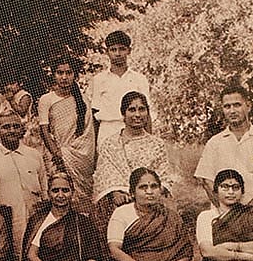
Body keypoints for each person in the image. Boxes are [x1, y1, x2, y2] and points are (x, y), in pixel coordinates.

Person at [93, 91, 178, 233]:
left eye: (142, 109)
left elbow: (164, 177)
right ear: (123, 114)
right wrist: (115, 193)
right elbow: (105, 176)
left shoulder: (157, 144)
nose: (137, 115)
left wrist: (147, 195)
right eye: (132, 109)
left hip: (150, 199)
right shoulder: (110, 144)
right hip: (119, 200)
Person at [194, 84, 253, 213]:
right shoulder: (214, 143)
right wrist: (226, 212)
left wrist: (248, 210)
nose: (232, 111)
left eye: (237, 105)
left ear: (248, 106)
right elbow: (206, 181)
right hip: (223, 219)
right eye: (227, 106)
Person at [0, 110, 47, 261]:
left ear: (22, 129)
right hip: (4, 226)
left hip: (35, 221)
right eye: (6, 127)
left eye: (16, 126)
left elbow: (45, 191)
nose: (12, 130)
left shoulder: (35, 156)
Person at [38, 56, 96, 212]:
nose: (64, 77)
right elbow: (44, 130)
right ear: (54, 74)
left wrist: (70, 154)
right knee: (59, 194)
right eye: (60, 72)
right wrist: (58, 154)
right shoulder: (46, 99)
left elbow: (88, 134)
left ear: (74, 75)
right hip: (55, 156)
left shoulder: (83, 100)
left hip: (80, 157)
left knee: (81, 203)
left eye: (68, 73)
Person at [89, 30, 152, 150]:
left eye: (122, 49)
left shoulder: (139, 79)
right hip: (107, 130)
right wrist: (93, 148)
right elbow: (93, 117)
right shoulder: (98, 80)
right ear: (107, 52)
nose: (118, 53)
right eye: (113, 49)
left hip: (135, 131)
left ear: (129, 51)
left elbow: (147, 114)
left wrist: (149, 141)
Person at [0, 68, 42, 151]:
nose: (8, 87)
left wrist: (11, 101)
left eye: (12, 83)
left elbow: (22, 111)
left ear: (20, 83)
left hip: (23, 130)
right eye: (6, 84)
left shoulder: (24, 95)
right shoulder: (7, 97)